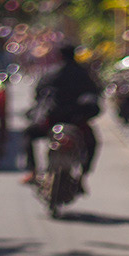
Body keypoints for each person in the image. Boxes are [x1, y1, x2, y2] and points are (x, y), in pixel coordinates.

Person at [23, 43, 101, 186]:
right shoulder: (83, 73)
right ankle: (83, 176)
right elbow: (95, 92)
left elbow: (38, 93)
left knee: (28, 134)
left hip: (51, 120)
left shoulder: (50, 73)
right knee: (93, 143)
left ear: (59, 56)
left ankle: (33, 171)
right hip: (77, 121)